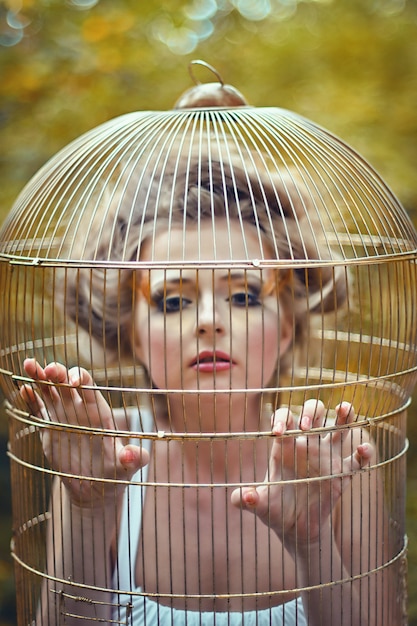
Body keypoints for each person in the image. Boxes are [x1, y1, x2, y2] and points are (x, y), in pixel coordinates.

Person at [20, 151, 386, 625]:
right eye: (173, 301)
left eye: (243, 296)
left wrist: (313, 545)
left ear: (289, 326)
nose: (210, 322)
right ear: (132, 331)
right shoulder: (103, 453)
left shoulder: (339, 456)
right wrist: (88, 505)